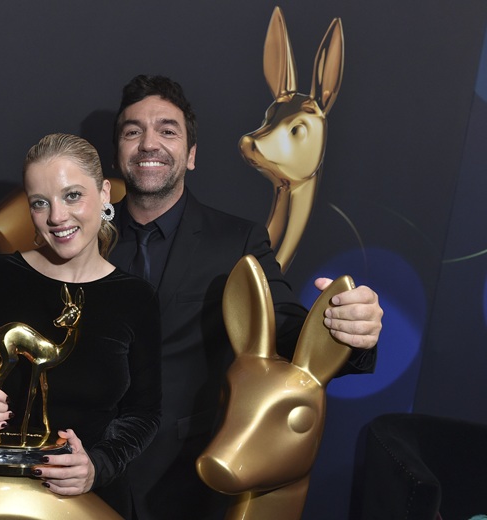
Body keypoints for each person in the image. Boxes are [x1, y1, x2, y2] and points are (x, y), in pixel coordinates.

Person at [108, 75, 384, 519]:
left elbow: (283, 328)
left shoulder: (236, 241)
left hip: (182, 482)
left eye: (167, 130)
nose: (148, 143)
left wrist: (346, 329)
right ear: (119, 151)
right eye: (132, 131)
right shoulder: (80, 237)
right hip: (81, 475)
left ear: (191, 155)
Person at [0, 133, 162, 517]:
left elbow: (144, 412)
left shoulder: (136, 297)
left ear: (104, 193)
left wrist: (97, 466)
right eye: (40, 203)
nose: (56, 217)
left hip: (87, 502)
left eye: (72, 195)